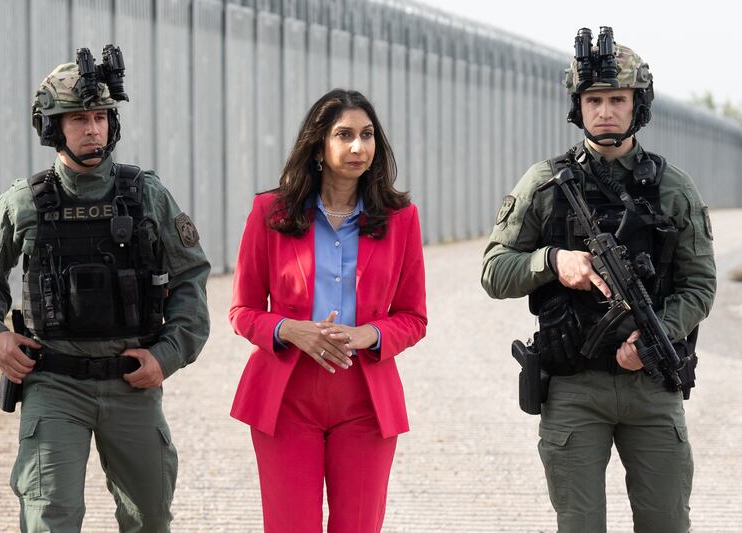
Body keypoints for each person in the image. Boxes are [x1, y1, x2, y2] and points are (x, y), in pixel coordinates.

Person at [0, 50, 210, 532]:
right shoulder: (23, 201)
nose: (93, 129)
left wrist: (170, 353)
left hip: (132, 381)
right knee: (51, 516)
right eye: (78, 118)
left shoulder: (146, 194)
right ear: (52, 128)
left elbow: (190, 277)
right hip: (54, 383)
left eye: (100, 117)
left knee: (150, 517)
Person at [481, 28, 716, 532]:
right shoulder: (545, 182)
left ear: (638, 105)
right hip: (573, 387)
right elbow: (493, 270)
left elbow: (700, 285)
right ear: (578, 106)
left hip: (652, 385)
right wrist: (552, 261)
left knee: (667, 522)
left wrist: (655, 338)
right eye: (594, 100)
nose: (605, 111)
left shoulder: (673, 187)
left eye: (617, 99)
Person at [229, 89, 427, 532]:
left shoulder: (401, 218)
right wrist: (289, 329)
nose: (359, 147)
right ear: (319, 145)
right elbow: (242, 310)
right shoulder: (270, 212)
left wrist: (368, 334)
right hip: (285, 399)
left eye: (367, 135)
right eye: (344, 135)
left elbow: (414, 317)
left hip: (365, 402)